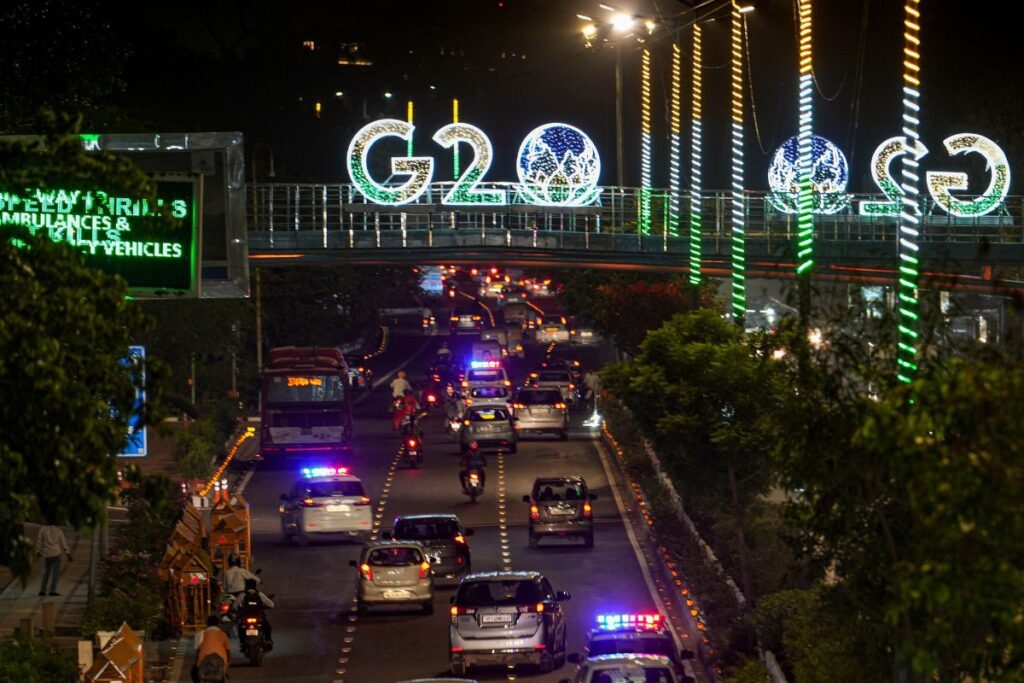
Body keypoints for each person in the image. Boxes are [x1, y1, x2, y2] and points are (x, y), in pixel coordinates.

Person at [36, 523, 72, 596]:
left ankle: (42, 590)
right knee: (55, 574)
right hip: (56, 553)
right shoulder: (58, 530)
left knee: (45, 572)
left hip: (46, 554)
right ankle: (52, 591)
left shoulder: (42, 530)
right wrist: (68, 553)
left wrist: (38, 552)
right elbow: (63, 543)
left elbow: (39, 542)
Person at [237, 577, 274, 647]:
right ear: (255, 586)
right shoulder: (259, 594)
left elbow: (235, 606)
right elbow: (271, 605)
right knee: (267, 626)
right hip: (258, 617)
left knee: (240, 627)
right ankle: (268, 639)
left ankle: (242, 642)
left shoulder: (242, 595)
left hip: (245, 618)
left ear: (246, 586)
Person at [193, 615, 230, 683]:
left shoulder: (201, 634)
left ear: (207, 624)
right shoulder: (223, 634)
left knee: (194, 673)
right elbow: (227, 651)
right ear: (218, 624)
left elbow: (197, 651)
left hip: (204, 662)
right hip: (220, 661)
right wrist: (226, 663)